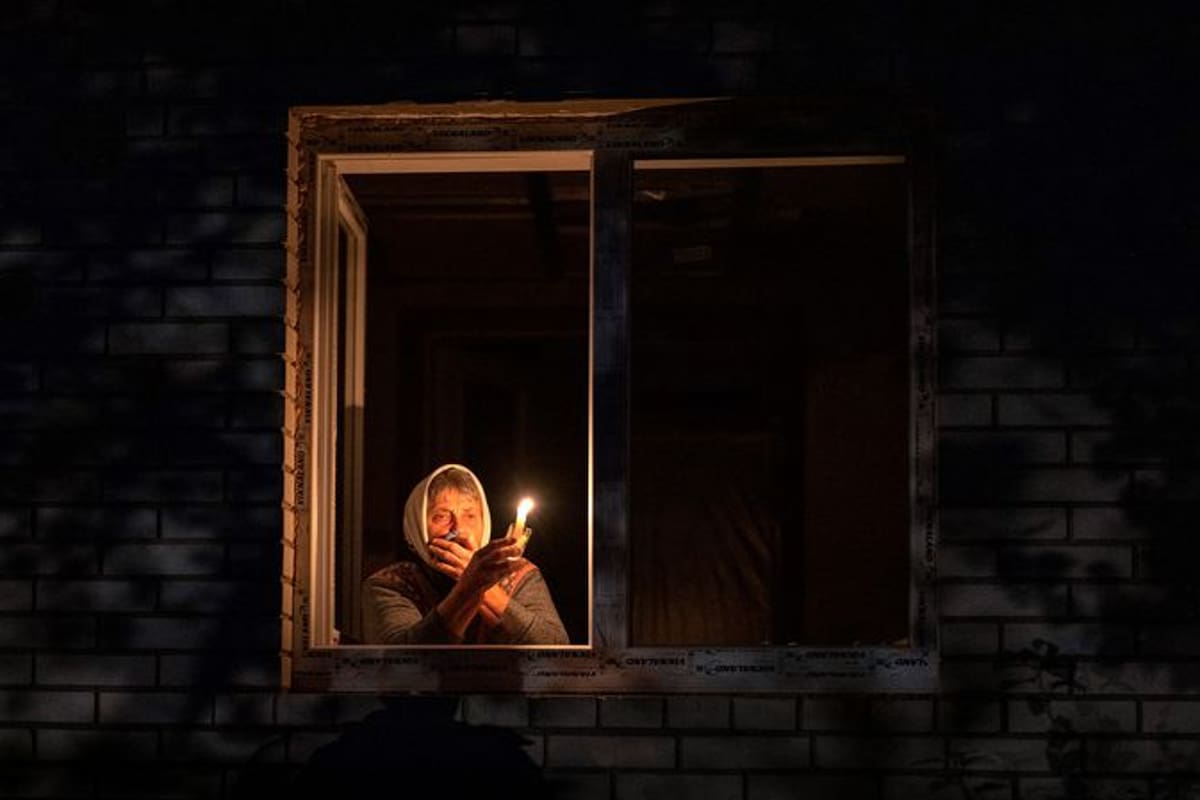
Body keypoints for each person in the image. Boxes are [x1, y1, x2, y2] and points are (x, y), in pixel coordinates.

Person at [362, 463, 569, 645]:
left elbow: (555, 650)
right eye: (442, 516)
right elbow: (403, 664)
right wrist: (469, 585)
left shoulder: (517, 573)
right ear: (417, 530)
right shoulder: (390, 584)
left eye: (470, 516)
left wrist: (482, 583)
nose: (459, 529)